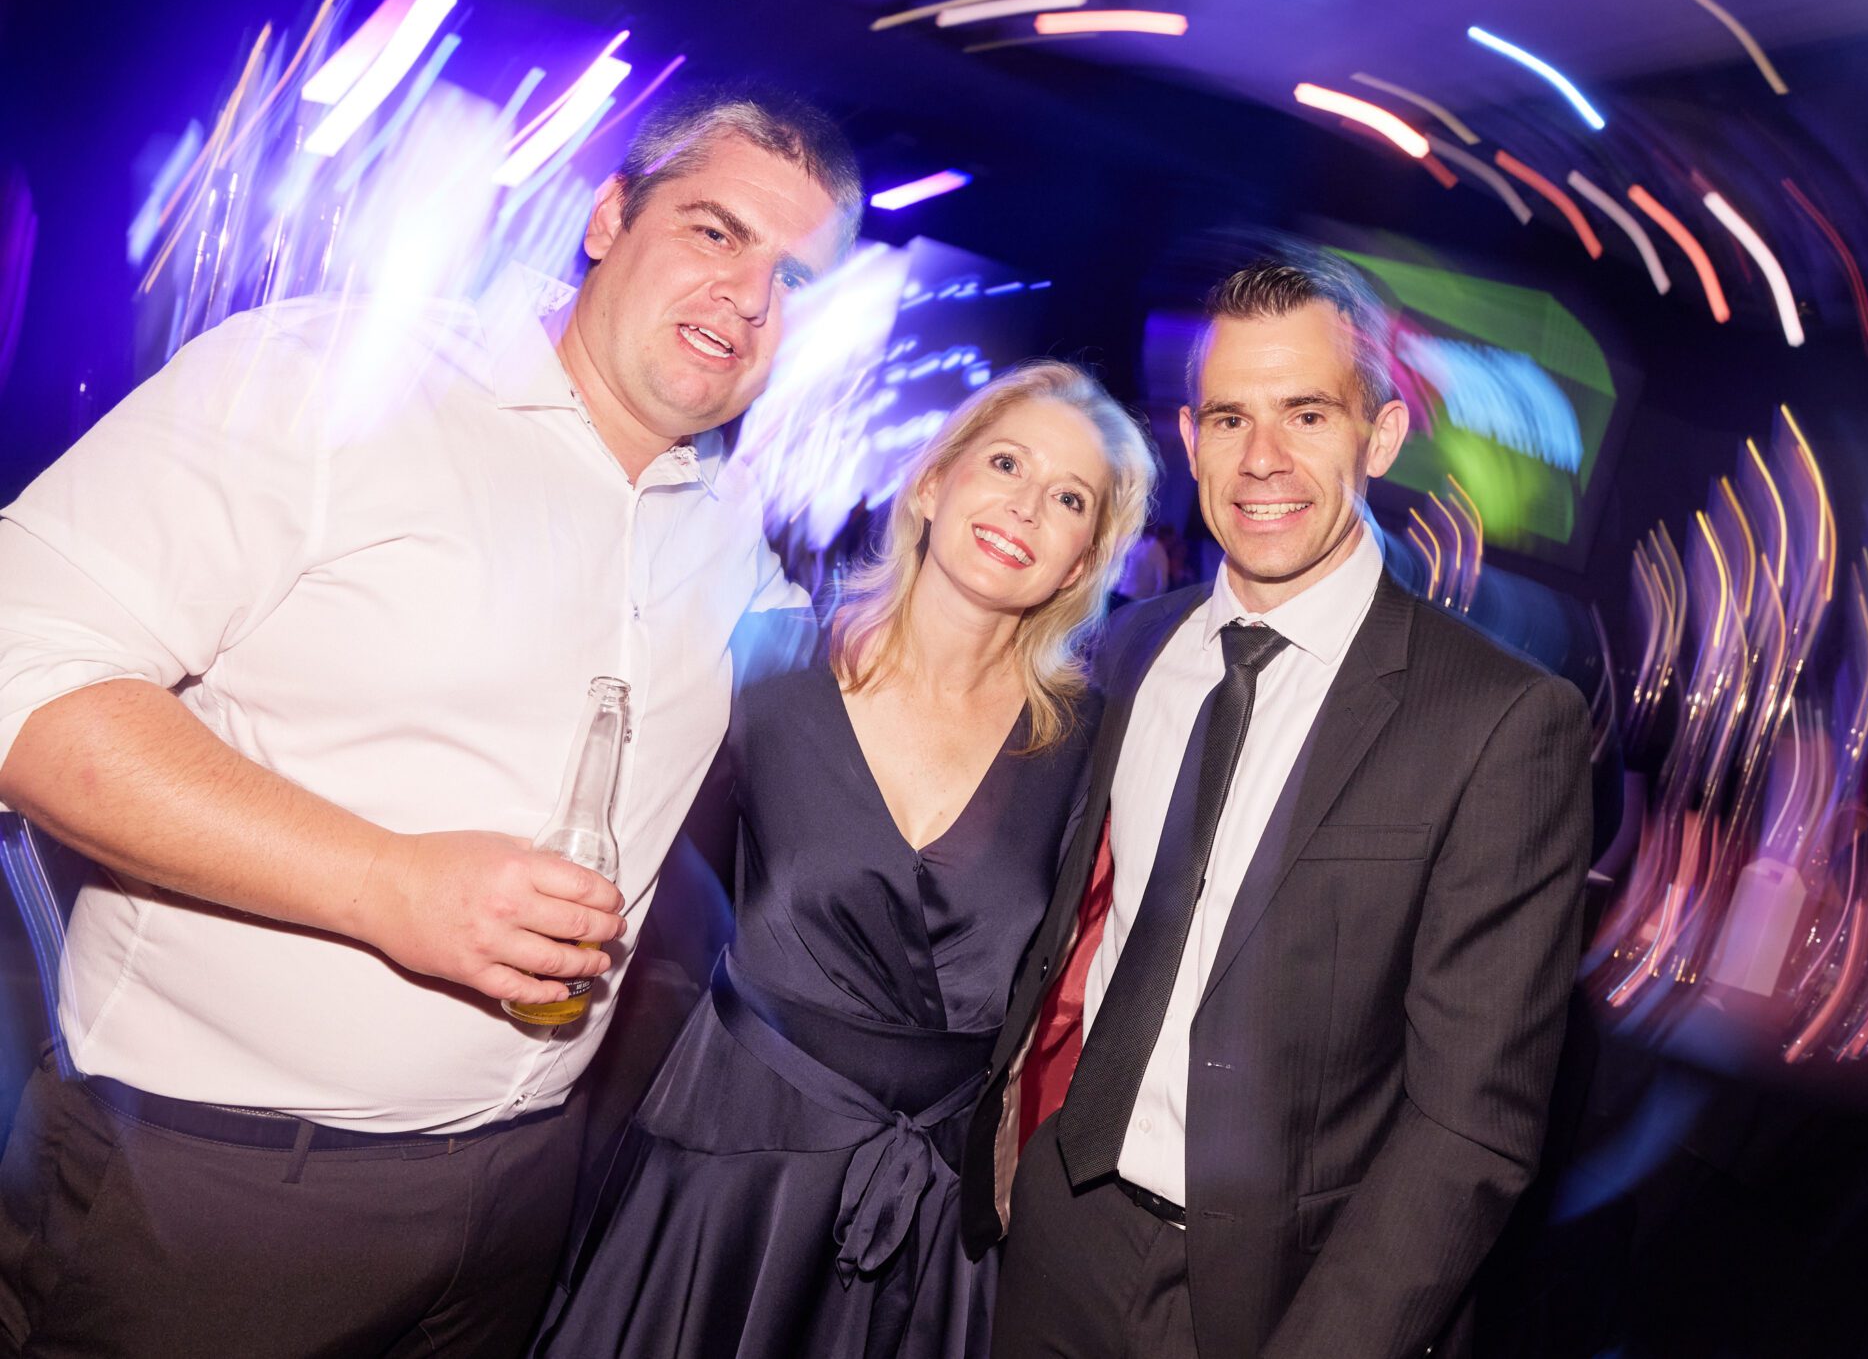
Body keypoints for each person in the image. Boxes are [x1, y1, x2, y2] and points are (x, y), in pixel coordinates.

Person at [0, 86, 860, 1356]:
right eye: (714, 231)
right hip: (215, 1186)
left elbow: (863, 708)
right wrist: (383, 883)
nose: (746, 296)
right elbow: (23, 670)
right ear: (607, 218)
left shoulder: (727, 534)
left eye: (791, 279)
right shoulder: (334, 379)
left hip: (522, 1189)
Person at [964, 255, 1595, 1359]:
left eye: (1306, 414)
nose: (1262, 459)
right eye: (1229, 419)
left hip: (1281, 1298)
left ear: (1380, 435)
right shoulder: (1126, 650)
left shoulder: (1497, 721)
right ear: (1189, 436)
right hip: (1058, 1232)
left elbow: (1468, 1127)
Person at [532, 361, 1155, 1359]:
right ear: (932, 481)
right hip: (730, 1170)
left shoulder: (1095, 747)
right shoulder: (769, 668)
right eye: (1005, 463)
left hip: (933, 1209)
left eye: (1069, 497)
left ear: (1083, 561)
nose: (1026, 506)